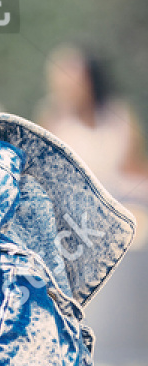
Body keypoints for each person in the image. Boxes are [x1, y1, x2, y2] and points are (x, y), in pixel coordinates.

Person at [36, 43, 148, 246]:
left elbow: (133, 170)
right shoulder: (53, 119)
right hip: (73, 212)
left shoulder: (120, 116)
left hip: (120, 204)